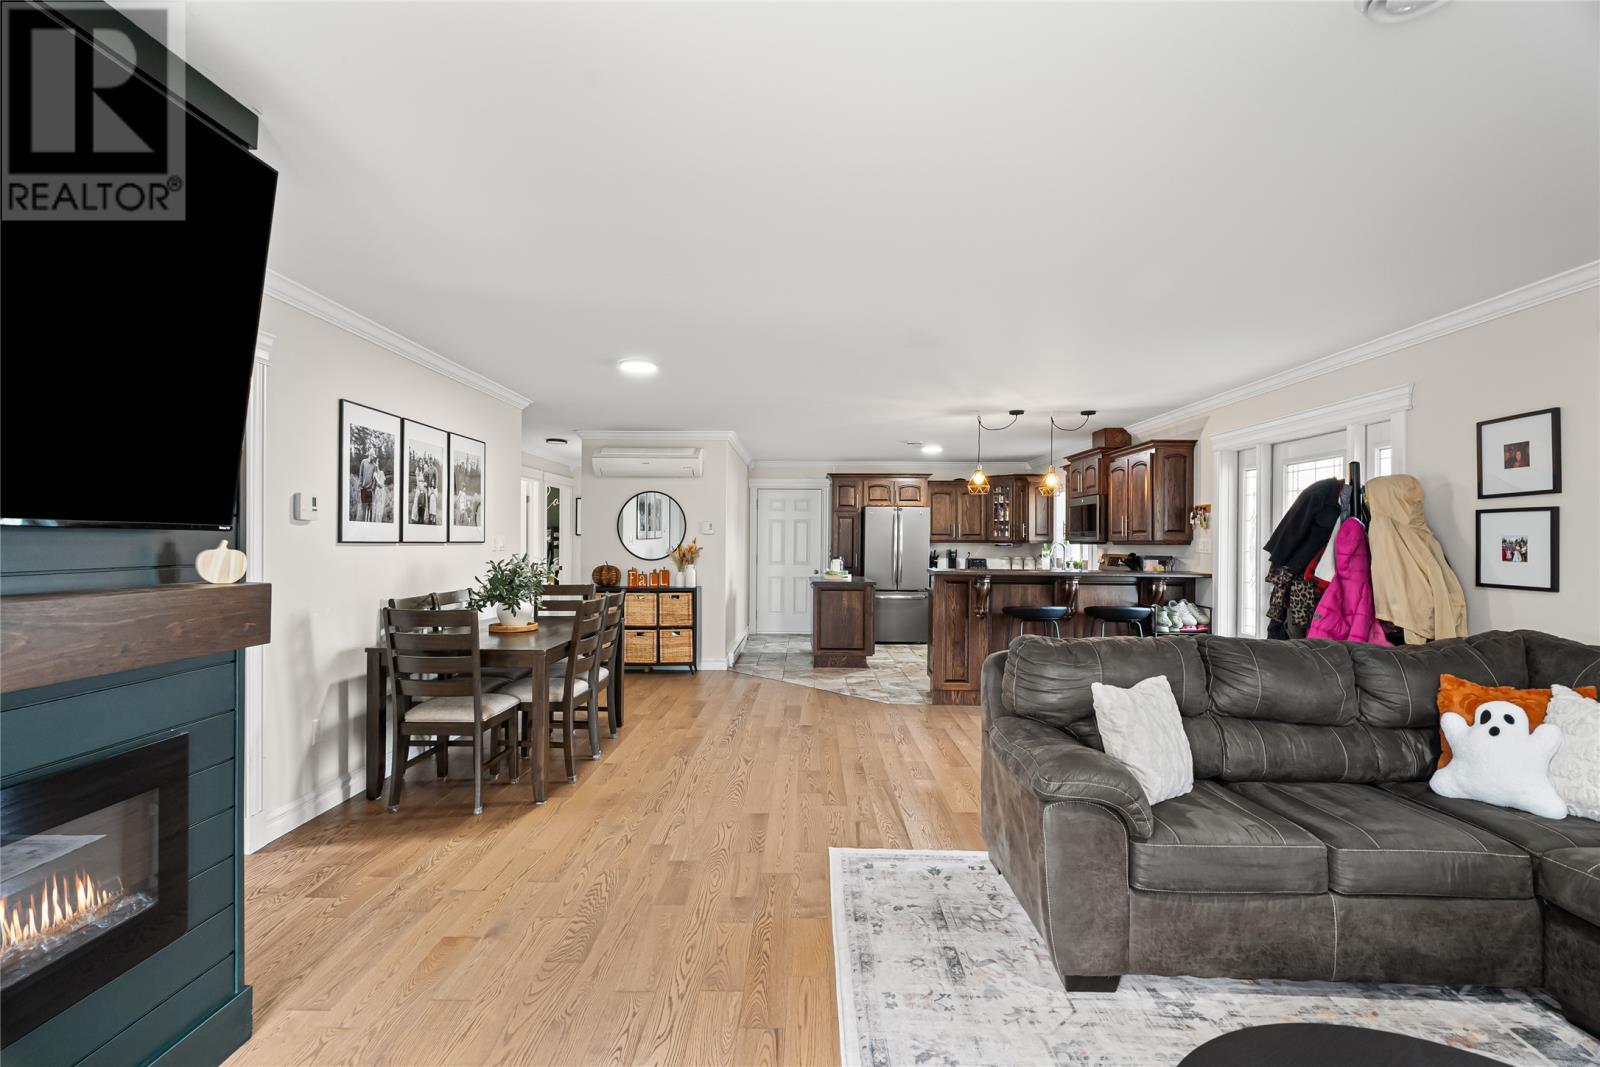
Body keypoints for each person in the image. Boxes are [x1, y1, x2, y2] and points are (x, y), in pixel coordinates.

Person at [358, 445, 377, 522]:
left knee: (370, 510)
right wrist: (360, 486)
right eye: (373, 456)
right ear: (370, 455)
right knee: (363, 510)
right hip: (363, 489)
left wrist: (372, 488)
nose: (374, 458)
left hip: (370, 491)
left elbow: (374, 479)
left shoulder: (374, 466)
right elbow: (360, 474)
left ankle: (369, 527)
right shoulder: (363, 462)